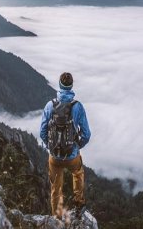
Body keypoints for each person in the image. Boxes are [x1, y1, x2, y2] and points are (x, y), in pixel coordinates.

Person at [40, 72, 91, 217]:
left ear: (60, 85)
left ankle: (56, 217)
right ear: (71, 86)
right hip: (72, 154)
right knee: (78, 173)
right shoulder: (78, 107)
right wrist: (77, 146)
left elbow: (42, 131)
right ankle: (79, 204)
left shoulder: (50, 105)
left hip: (54, 156)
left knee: (56, 187)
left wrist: (50, 145)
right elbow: (87, 134)